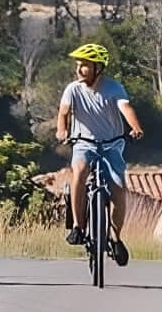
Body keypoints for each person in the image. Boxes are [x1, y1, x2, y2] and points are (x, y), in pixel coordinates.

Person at [55, 41, 143, 267]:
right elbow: (63, 112)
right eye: (78, 65)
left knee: (118, 189)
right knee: (80, 172)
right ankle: (78, 226)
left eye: (84, 65)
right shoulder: (72, 89)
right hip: (83, 143)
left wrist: (135, 127)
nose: (79, 70)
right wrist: (62, 130)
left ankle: (115, 238)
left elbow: (126, 108)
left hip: (112, 145)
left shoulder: (114, 88)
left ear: (98, 68)